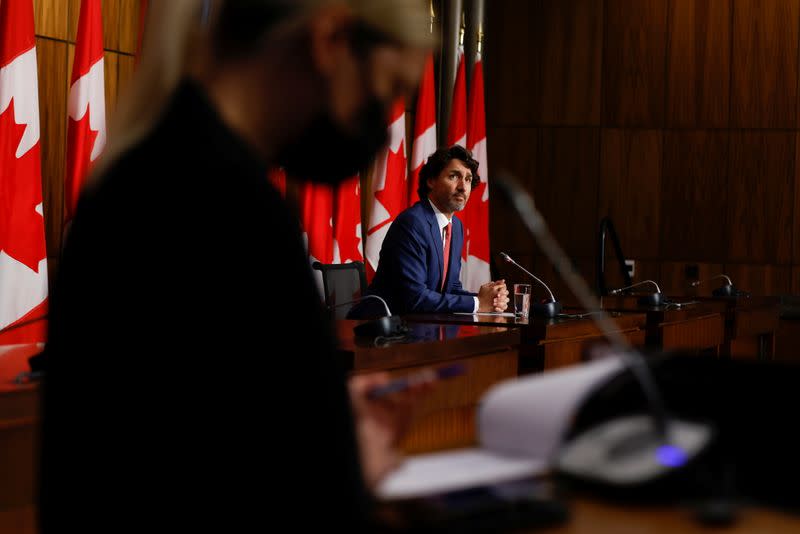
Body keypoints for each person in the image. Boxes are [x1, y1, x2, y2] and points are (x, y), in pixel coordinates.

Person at [39, 1, 433, 531]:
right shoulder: (229, 205)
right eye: (384, 91)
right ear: (330, 41)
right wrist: (341, 457)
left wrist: (317, 416)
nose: (380, 132)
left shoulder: (146, 171)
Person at [363, 145, 509, 315]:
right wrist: (477, 303)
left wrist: (488, 300)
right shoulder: (413, 223)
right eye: (454, 176)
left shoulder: (456, 227)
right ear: (431, 181)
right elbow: (414, 297)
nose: (463, 187)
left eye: (468, 179)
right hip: (382, 328)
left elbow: (451, 288)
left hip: (420, 325)